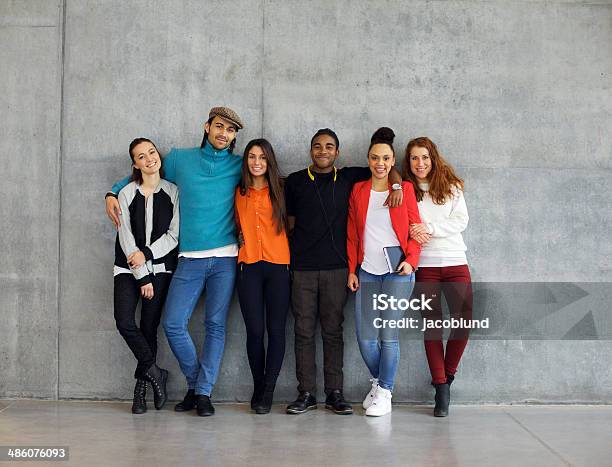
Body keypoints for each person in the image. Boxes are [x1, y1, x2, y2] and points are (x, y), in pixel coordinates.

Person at [105, 107, 244, 416]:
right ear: (207, 127)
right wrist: (112, 192)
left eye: (231, 130)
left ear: (234, 136)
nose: (224, 133)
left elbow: (268, 177)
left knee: (215, 325)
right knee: (172, 324)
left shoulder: (238, 165)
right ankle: (195, 384)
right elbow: (146, 169)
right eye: (219, 126)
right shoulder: (180, 159)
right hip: (188, 258)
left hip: (225, 258)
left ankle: (202, 393)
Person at [284, 128, 404, 415]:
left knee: (333, 332)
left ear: (337, 152)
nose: (322, 151)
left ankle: (334, 393)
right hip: (302, 269)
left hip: (339, 269)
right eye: (317, 146)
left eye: (329, 146)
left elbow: (387, 169)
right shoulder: (296, 181)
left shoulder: (350, 177)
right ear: (310, 150)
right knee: (302, 331)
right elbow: (288, 223)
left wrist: (398, 187)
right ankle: (306, 393)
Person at [346, 127, 421, 416]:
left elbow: (415, 230)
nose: (380, 163)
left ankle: (386, 392)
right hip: (367, 272)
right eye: (375, 157)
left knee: (388, 335)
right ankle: (380, 384)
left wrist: (411, 261)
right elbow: (352, 234)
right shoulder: (358, 190)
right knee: (365, 337)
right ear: (368, 159)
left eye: (386, 158)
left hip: (398, 273)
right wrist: (352, 269)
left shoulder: (405, 190)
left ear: (392, 162)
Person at [402, 136, 472, 418]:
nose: (420, 164)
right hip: (426, 266)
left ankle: (449, 372)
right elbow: (405, 224)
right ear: (408, 162)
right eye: (414, 158)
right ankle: (441, 386)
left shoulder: (452, 186)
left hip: (455, 261)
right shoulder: (406, 190)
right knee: (432, 326)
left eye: (425, 158)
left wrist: (426, 227)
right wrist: (413, 229)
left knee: (464, 320)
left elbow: (460, 221)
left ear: (433, 158)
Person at [113, 138, 179, 414]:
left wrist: (148, 255)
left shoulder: (174, 192)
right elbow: (125, 235)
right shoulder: (125, 193)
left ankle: (139, 394)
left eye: (151, 152)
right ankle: (154, 372)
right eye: (141, 156)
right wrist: (141, 276)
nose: (149, 158)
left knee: (149, 328)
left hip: (161, 269)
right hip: (127, 269)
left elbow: (174, 235)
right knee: (125, 321)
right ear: (135, 164)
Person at [234, 139, 290, 414]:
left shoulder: (282, 189)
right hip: (249, 266)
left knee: (276, 330)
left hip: (279, 266)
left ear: (270, 162)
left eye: (263, 158)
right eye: (252, 157)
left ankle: (268, 390)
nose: (257, 162)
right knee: (255, 331)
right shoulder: (238, 191)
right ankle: (258, 385)